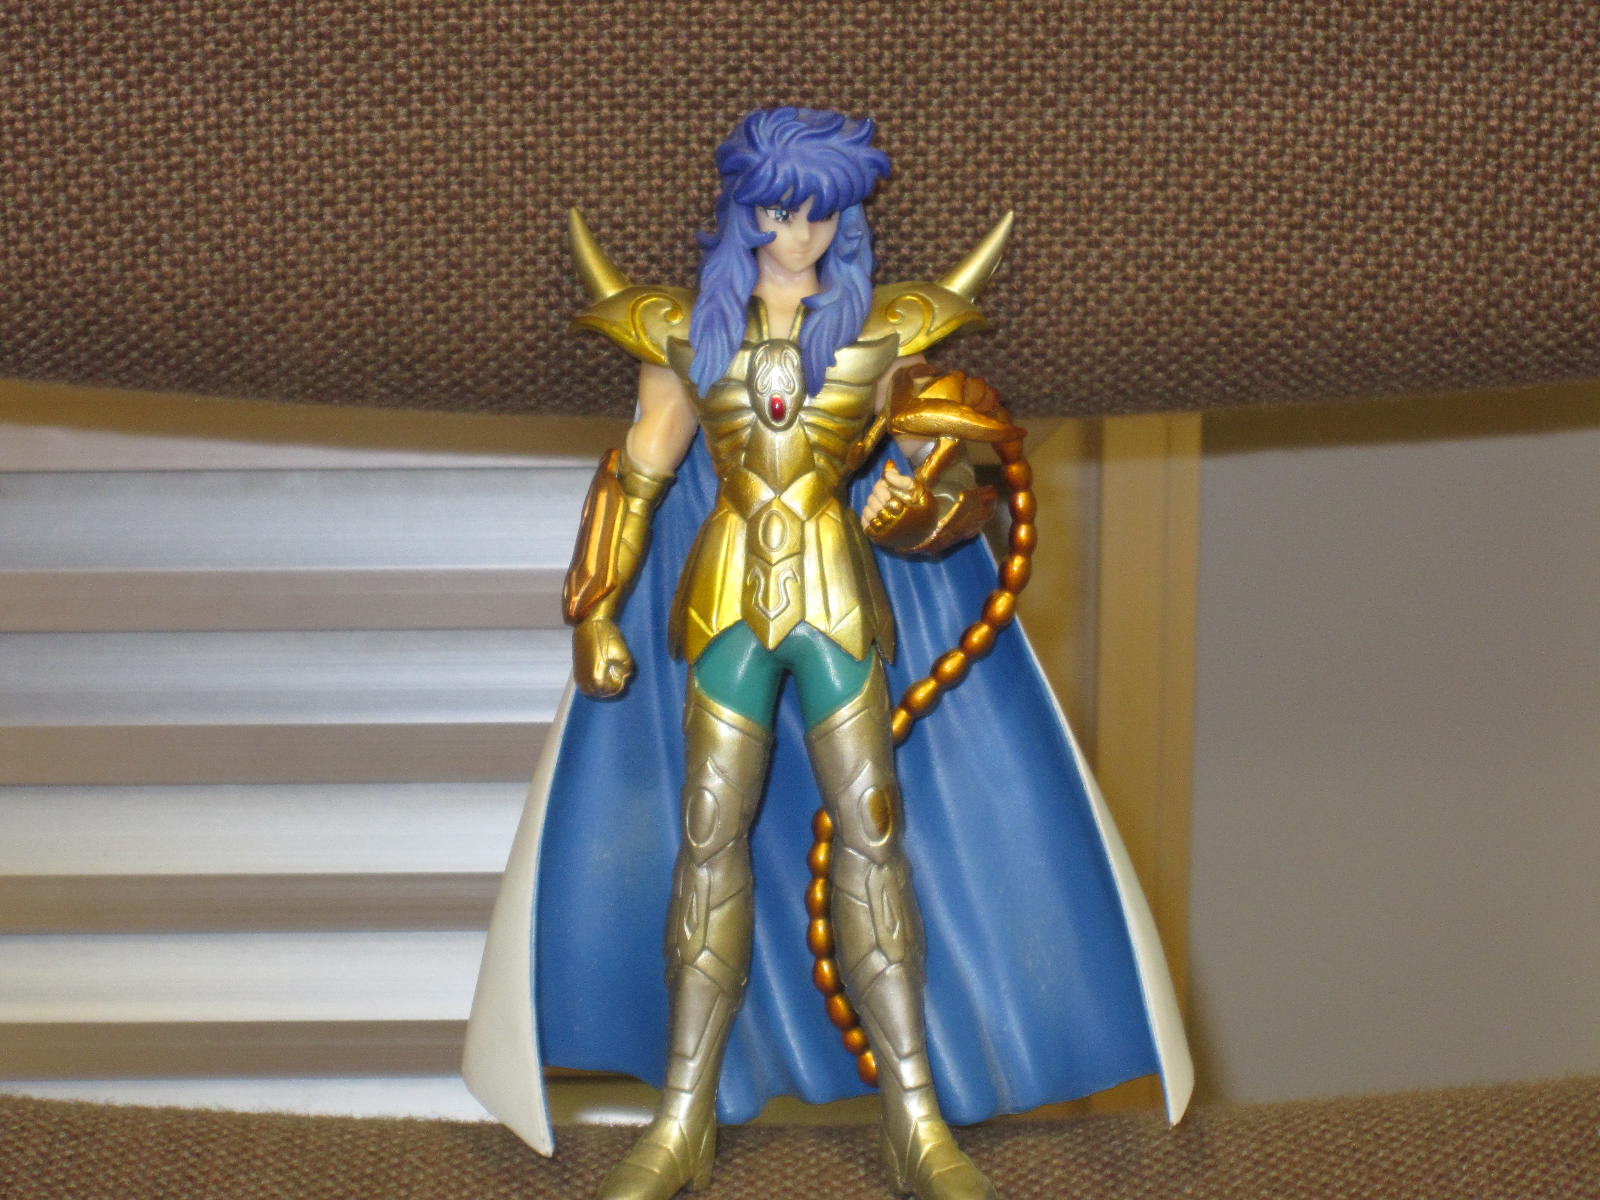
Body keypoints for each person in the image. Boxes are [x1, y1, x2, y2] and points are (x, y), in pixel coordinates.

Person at [464, 107, 1191, 1200]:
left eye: (819, 213)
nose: (798, 233)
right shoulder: (688, 332)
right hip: (726, 602)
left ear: (845, 218)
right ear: (744, 211)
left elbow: (940, 473)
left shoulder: (884, 334)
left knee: (875, 835)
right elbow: (638, 475)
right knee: (706, 839)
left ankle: (913, 1113)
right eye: (778, 209)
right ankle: (682, 1113)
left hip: (839, 601)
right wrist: (596, 610)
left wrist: (929, 494)